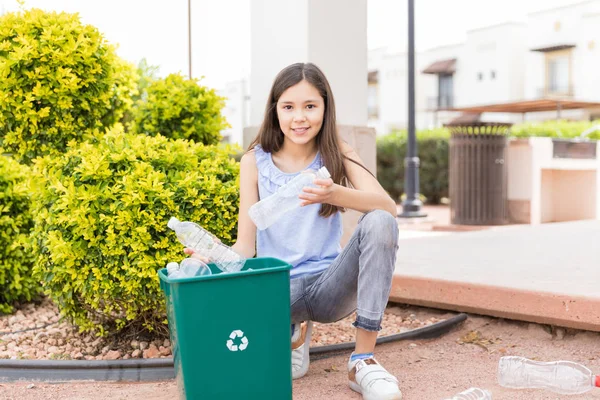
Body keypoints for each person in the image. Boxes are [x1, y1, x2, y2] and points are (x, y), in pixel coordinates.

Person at [186, 62, 401, 400]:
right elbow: (245, 247)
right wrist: (211, 257)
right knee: (257, 364)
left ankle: (363, 361)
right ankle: (290, 331)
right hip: (276, 290)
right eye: (288, 107)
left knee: (380, 222)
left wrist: (335, 193)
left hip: (327, 285)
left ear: (325, 109)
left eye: (310, 106)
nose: (299, 117)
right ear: (275, 110)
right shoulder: (253, 161)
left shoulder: (338, 152)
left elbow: (388, 208)